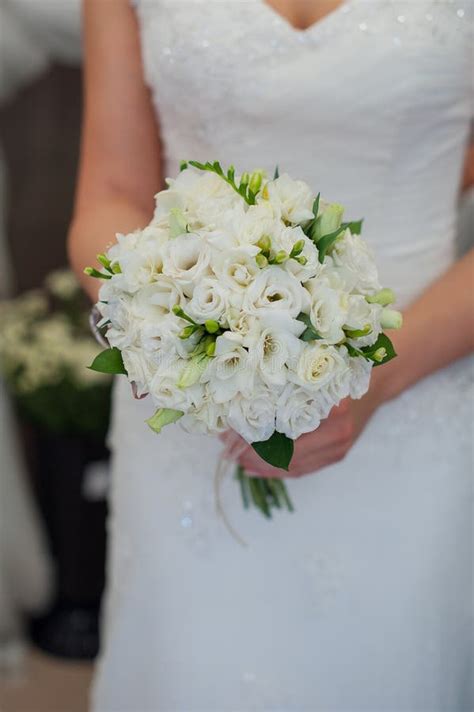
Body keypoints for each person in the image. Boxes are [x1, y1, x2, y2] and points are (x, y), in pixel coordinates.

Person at [69, 1, 474, 709]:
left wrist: (376, 378)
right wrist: (158, 320)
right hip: (189, 409)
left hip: (419, 394)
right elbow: (109, 192)